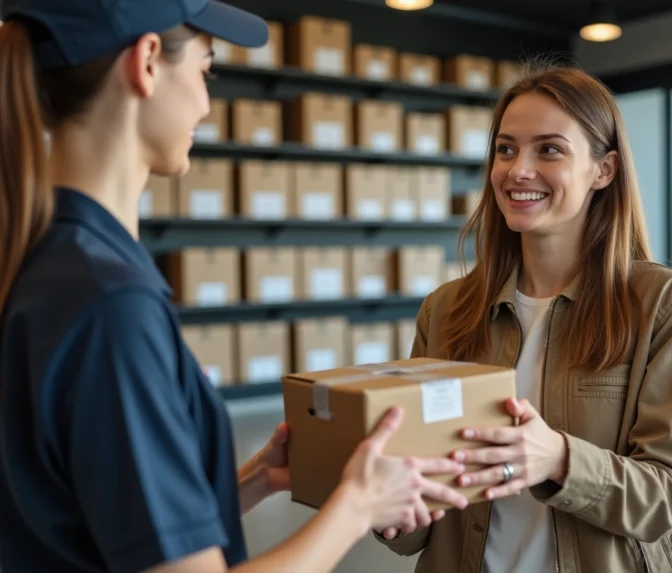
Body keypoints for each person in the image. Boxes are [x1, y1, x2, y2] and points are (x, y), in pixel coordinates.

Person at [0, 2, 469, 572]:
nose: (205, 102)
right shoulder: (111, 305)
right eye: (206, 70)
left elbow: (87, 513)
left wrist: (251, 480)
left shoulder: (49, 263)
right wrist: (357, 504)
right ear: (147, 62)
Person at [375, 65, 672, 573]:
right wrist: (388, 501)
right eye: (506, 149)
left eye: (549, 150)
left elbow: (669, 495)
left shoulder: (665, 303)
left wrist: (557, 459)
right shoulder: (445, 310)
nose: (517, 170)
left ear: (604, 170)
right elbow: (422, 515)